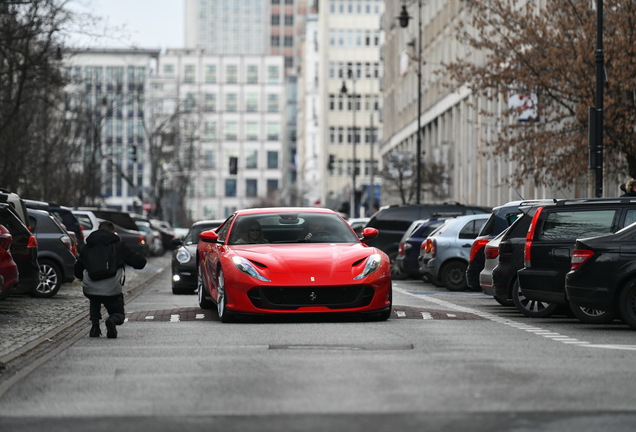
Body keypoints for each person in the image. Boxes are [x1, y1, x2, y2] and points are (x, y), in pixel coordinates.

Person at [74, 220, 147, 338]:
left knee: (95, 296)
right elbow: (139, 263)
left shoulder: (88, 246)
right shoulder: (118, 245)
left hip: (90, 289)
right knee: (118, 312)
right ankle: (112, 320)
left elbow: (77, 270)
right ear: (113, 232)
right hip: (112, 289)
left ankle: (95, 326)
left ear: (98, 230)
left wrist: (84, 275)